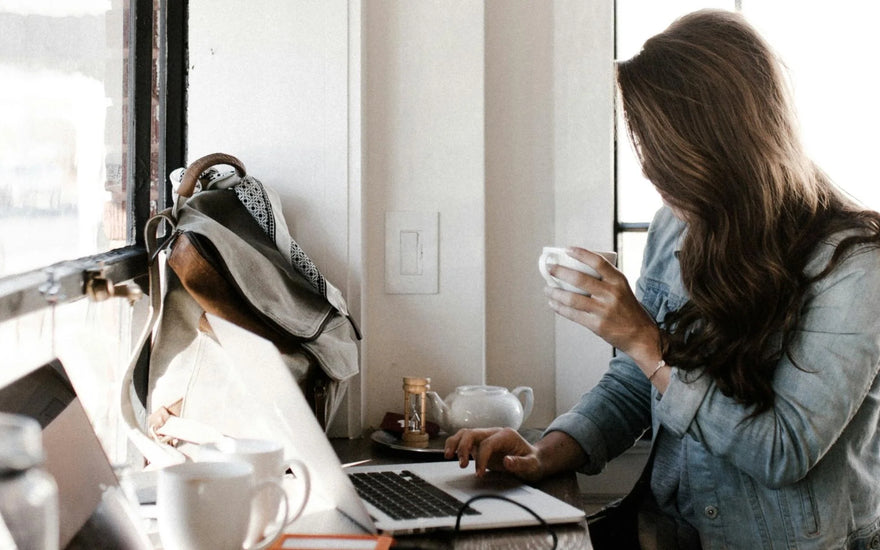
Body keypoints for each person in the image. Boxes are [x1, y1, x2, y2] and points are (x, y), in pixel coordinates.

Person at [444, 9, 880, 549]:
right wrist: (543, 452)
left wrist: (645, 340)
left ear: (721, 147)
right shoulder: (678, 226)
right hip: (666, 532)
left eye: (664, 158)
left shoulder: (856, 267)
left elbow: (781, 450)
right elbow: (635, 382)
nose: (653, 175)